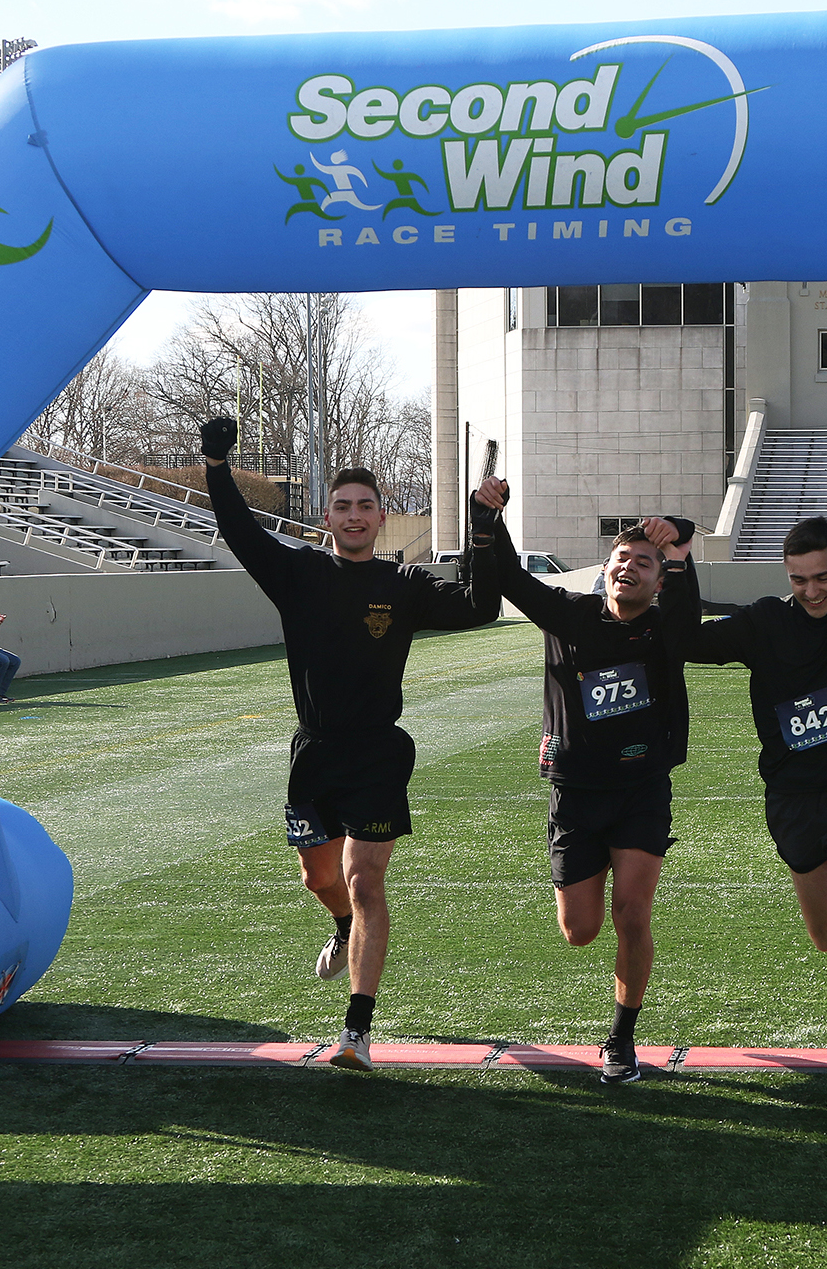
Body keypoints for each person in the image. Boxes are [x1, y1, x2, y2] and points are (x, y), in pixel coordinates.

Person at [200, 416, 500, 1071]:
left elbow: (482, 606)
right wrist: (216, 465)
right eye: (343, 506)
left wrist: (484, 525)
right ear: (327, 516)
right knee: (319, 878)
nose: (355, 514)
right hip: (313, 756)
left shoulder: (404, 586)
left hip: (378, 755)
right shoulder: (297, 574)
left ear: (381, 517)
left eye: (366, 505)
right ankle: (341, 928)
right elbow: (240, 531)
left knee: (366, 881)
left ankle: (357, 1031)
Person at [684, 471, 827, 1118]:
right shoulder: (763, 623)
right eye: (799, 578)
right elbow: (689, 641)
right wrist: (678, 566)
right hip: (793, 802)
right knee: (826, 938)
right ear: (785, 574)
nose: (812, 590)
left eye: (822, 576)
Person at [473, 478, 700, 1083]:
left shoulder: (667, 629)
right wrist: (489, 518)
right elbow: (512, 580)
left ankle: (622, 1038)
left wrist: (677, 535)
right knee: (580, 931)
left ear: (659, 579)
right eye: (621, 559)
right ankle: (593, 868)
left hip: (642, 789)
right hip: (575, 793)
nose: (630, 568)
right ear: (603, 570)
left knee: (632, 913)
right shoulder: (569, 615)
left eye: (644, 563)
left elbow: (687, 591)